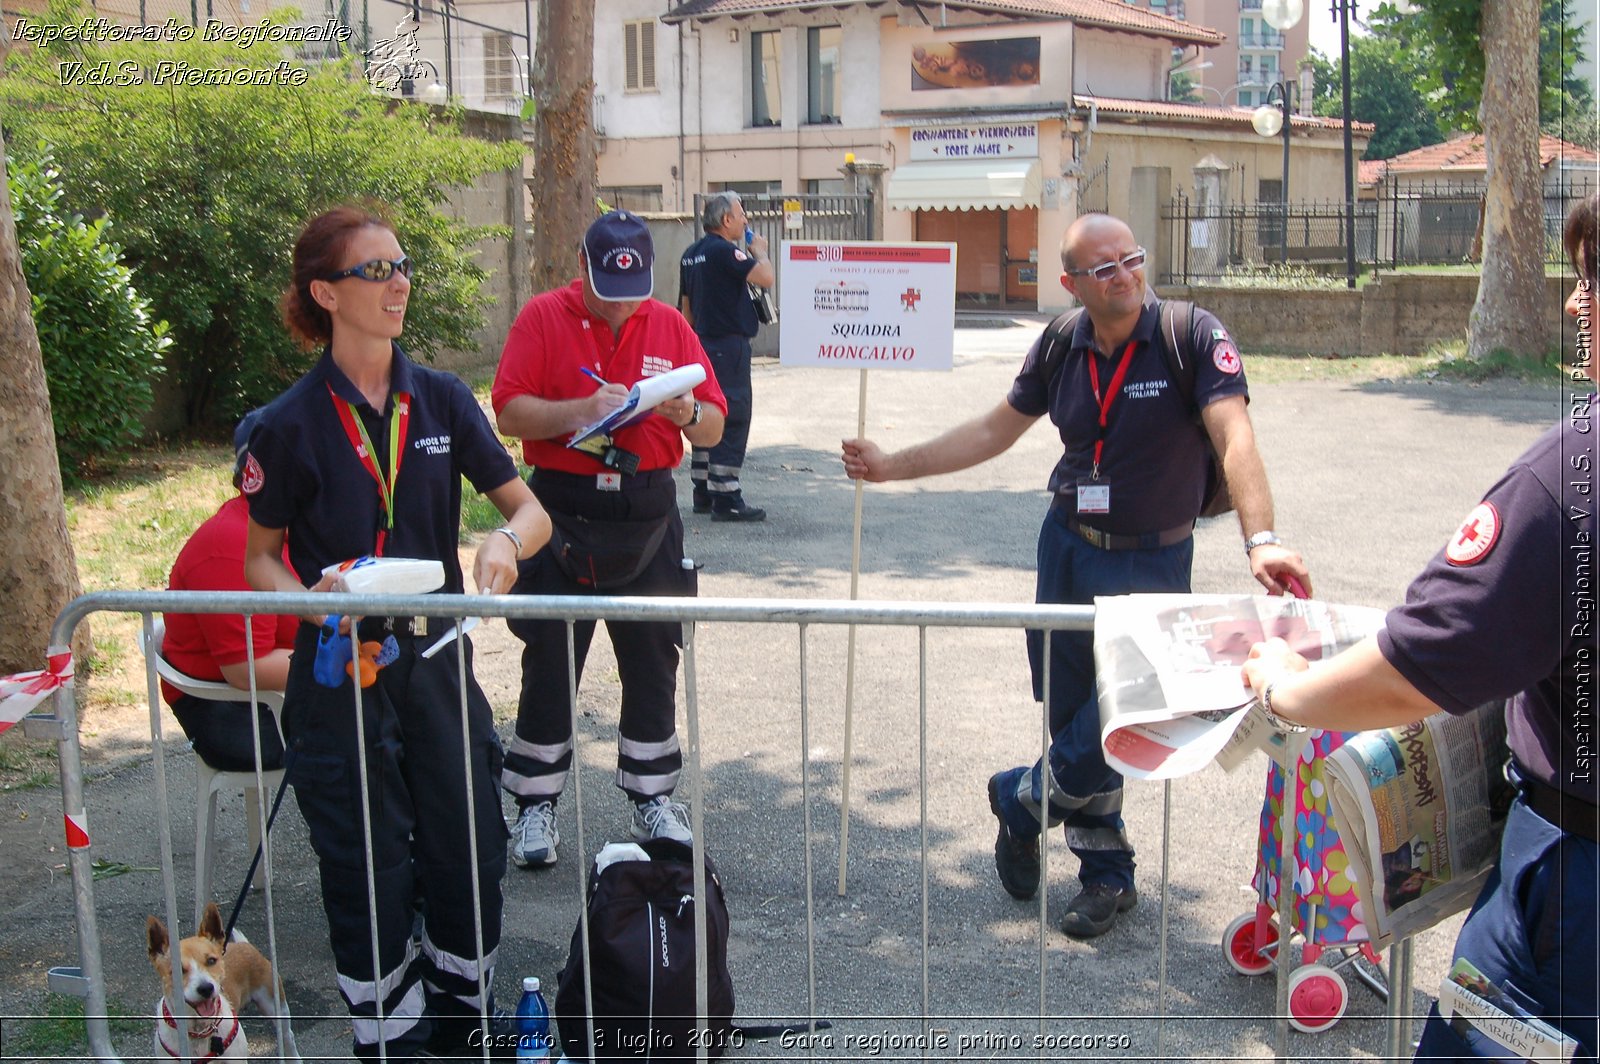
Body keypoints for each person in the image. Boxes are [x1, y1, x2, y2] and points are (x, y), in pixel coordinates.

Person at [841, 212, 1310, 938]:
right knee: (1072, 713)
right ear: (1071, 284)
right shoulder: (1062, 343)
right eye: (1104, 268)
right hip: (1068, 545)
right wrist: (892, 465)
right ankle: (1105, 874)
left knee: (1125, 715)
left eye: (1132, 258)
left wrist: (1264, 539)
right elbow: (995, 430)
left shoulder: (1192, 336)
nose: (1124, 274)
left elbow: (1233, 433)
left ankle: (1019, 800)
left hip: (1154, 556)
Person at [1242, 194, 1599, 1061]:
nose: (1572, 303)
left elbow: (1418, 667)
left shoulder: (1569, 477)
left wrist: (1284, 687)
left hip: (1572, 892)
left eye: (1590, 277)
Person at [241, 204, 551, 1062]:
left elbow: (530, 511)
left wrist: (504, 539)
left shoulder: (443, 398)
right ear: (326, 293)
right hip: (341, 669)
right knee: (364, 866)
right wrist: (312, 597)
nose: (399, 282)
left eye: (402, 264)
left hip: (437, 659)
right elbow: (258, 561)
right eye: (375, 270)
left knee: (467, 849)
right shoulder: (288, 424)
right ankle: (393, 1040)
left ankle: (464, 1028)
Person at [493, 210, 727, 869]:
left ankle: (654, 799)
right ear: (582, 265)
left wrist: (687, 412)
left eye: (634, 293)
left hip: (647, 509)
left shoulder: (669, 324)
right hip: (559, 507)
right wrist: (580, 411)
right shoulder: (542, 317)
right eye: (607, 291)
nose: (623, 307)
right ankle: (535, 807)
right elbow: (508, 408)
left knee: (654, 658)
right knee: (549, 657)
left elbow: (712, 428)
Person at [159, 409, 295, 773]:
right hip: (235, 714)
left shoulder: (299, 529)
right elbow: (247, 669)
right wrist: (349, 658)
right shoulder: (232, 544)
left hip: (277, 698)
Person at [678, 190, 774, 522]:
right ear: (726, 220)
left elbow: (686, 310)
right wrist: (759, 253)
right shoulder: (724, 252)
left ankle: (703, 490)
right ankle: (727, 495)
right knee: (733, 416)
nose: (746, 219)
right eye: (741, 213)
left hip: (701, 346)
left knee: (706, 413)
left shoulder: (691, 254)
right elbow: (766, 278)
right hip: (728, 347)